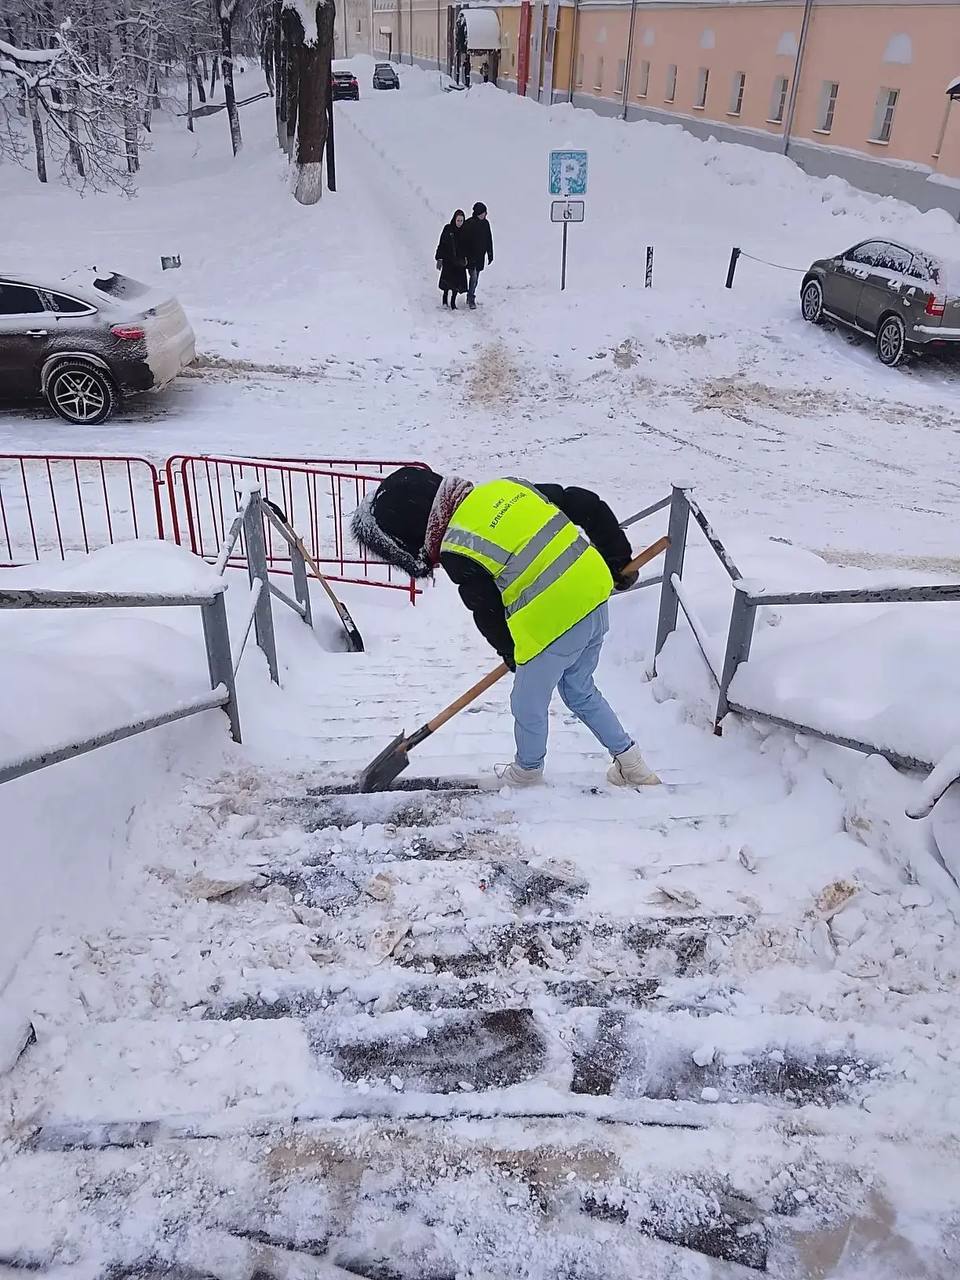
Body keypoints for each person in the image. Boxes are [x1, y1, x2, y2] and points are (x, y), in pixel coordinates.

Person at [351, 468, 661, 789]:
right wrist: (616, 558)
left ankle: (527, 772)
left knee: (527, 703)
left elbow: (486, 609)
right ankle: (632, 764)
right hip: (594, 600)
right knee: (580, 690)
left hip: (551, 622)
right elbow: (584, 504)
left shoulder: (458, 544)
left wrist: (510, 651)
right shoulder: (508, 489)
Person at [461, 202, 493, 311]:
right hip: (470, 256)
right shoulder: (469, 224)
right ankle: (471, 298)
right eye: (484, 212)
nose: (485, 214)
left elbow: (489, 239)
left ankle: (470, 294)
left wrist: (490, 253)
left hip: (480, 256)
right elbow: (463, 240)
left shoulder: (486, 224)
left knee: (476, 278)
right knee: (473, 276)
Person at [435, 210, 468, 310]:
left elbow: (468, 246)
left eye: (461, 220)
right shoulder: (448, 229)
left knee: (456, 284)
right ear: (454, 219)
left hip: (459, 262)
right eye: (458, 220)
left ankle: (453, 302)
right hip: (448, 260)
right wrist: (439, 258)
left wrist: (466, 258)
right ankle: (445, 299)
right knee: (447, 282)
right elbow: (442, 244)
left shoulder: (465, 231)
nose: (459, 223)